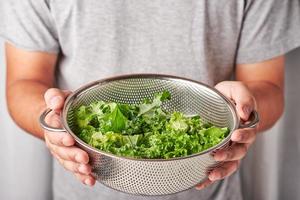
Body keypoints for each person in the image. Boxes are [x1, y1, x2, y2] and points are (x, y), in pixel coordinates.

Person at [1, 0, 300, 199]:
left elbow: (268, 87)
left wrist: (245, 112)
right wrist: (53, 122)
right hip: (84, 189)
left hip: (209, 184)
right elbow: (24, 83)